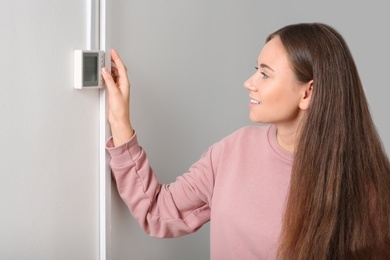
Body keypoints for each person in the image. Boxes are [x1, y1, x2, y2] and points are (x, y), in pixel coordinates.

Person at [102, 23, 390, 259]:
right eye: (256, 69)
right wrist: (120, 121)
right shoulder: (232, 151)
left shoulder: (368, 187)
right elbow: (158, 212)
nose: (249, 82)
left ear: (307, 93)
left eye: (265, 74)